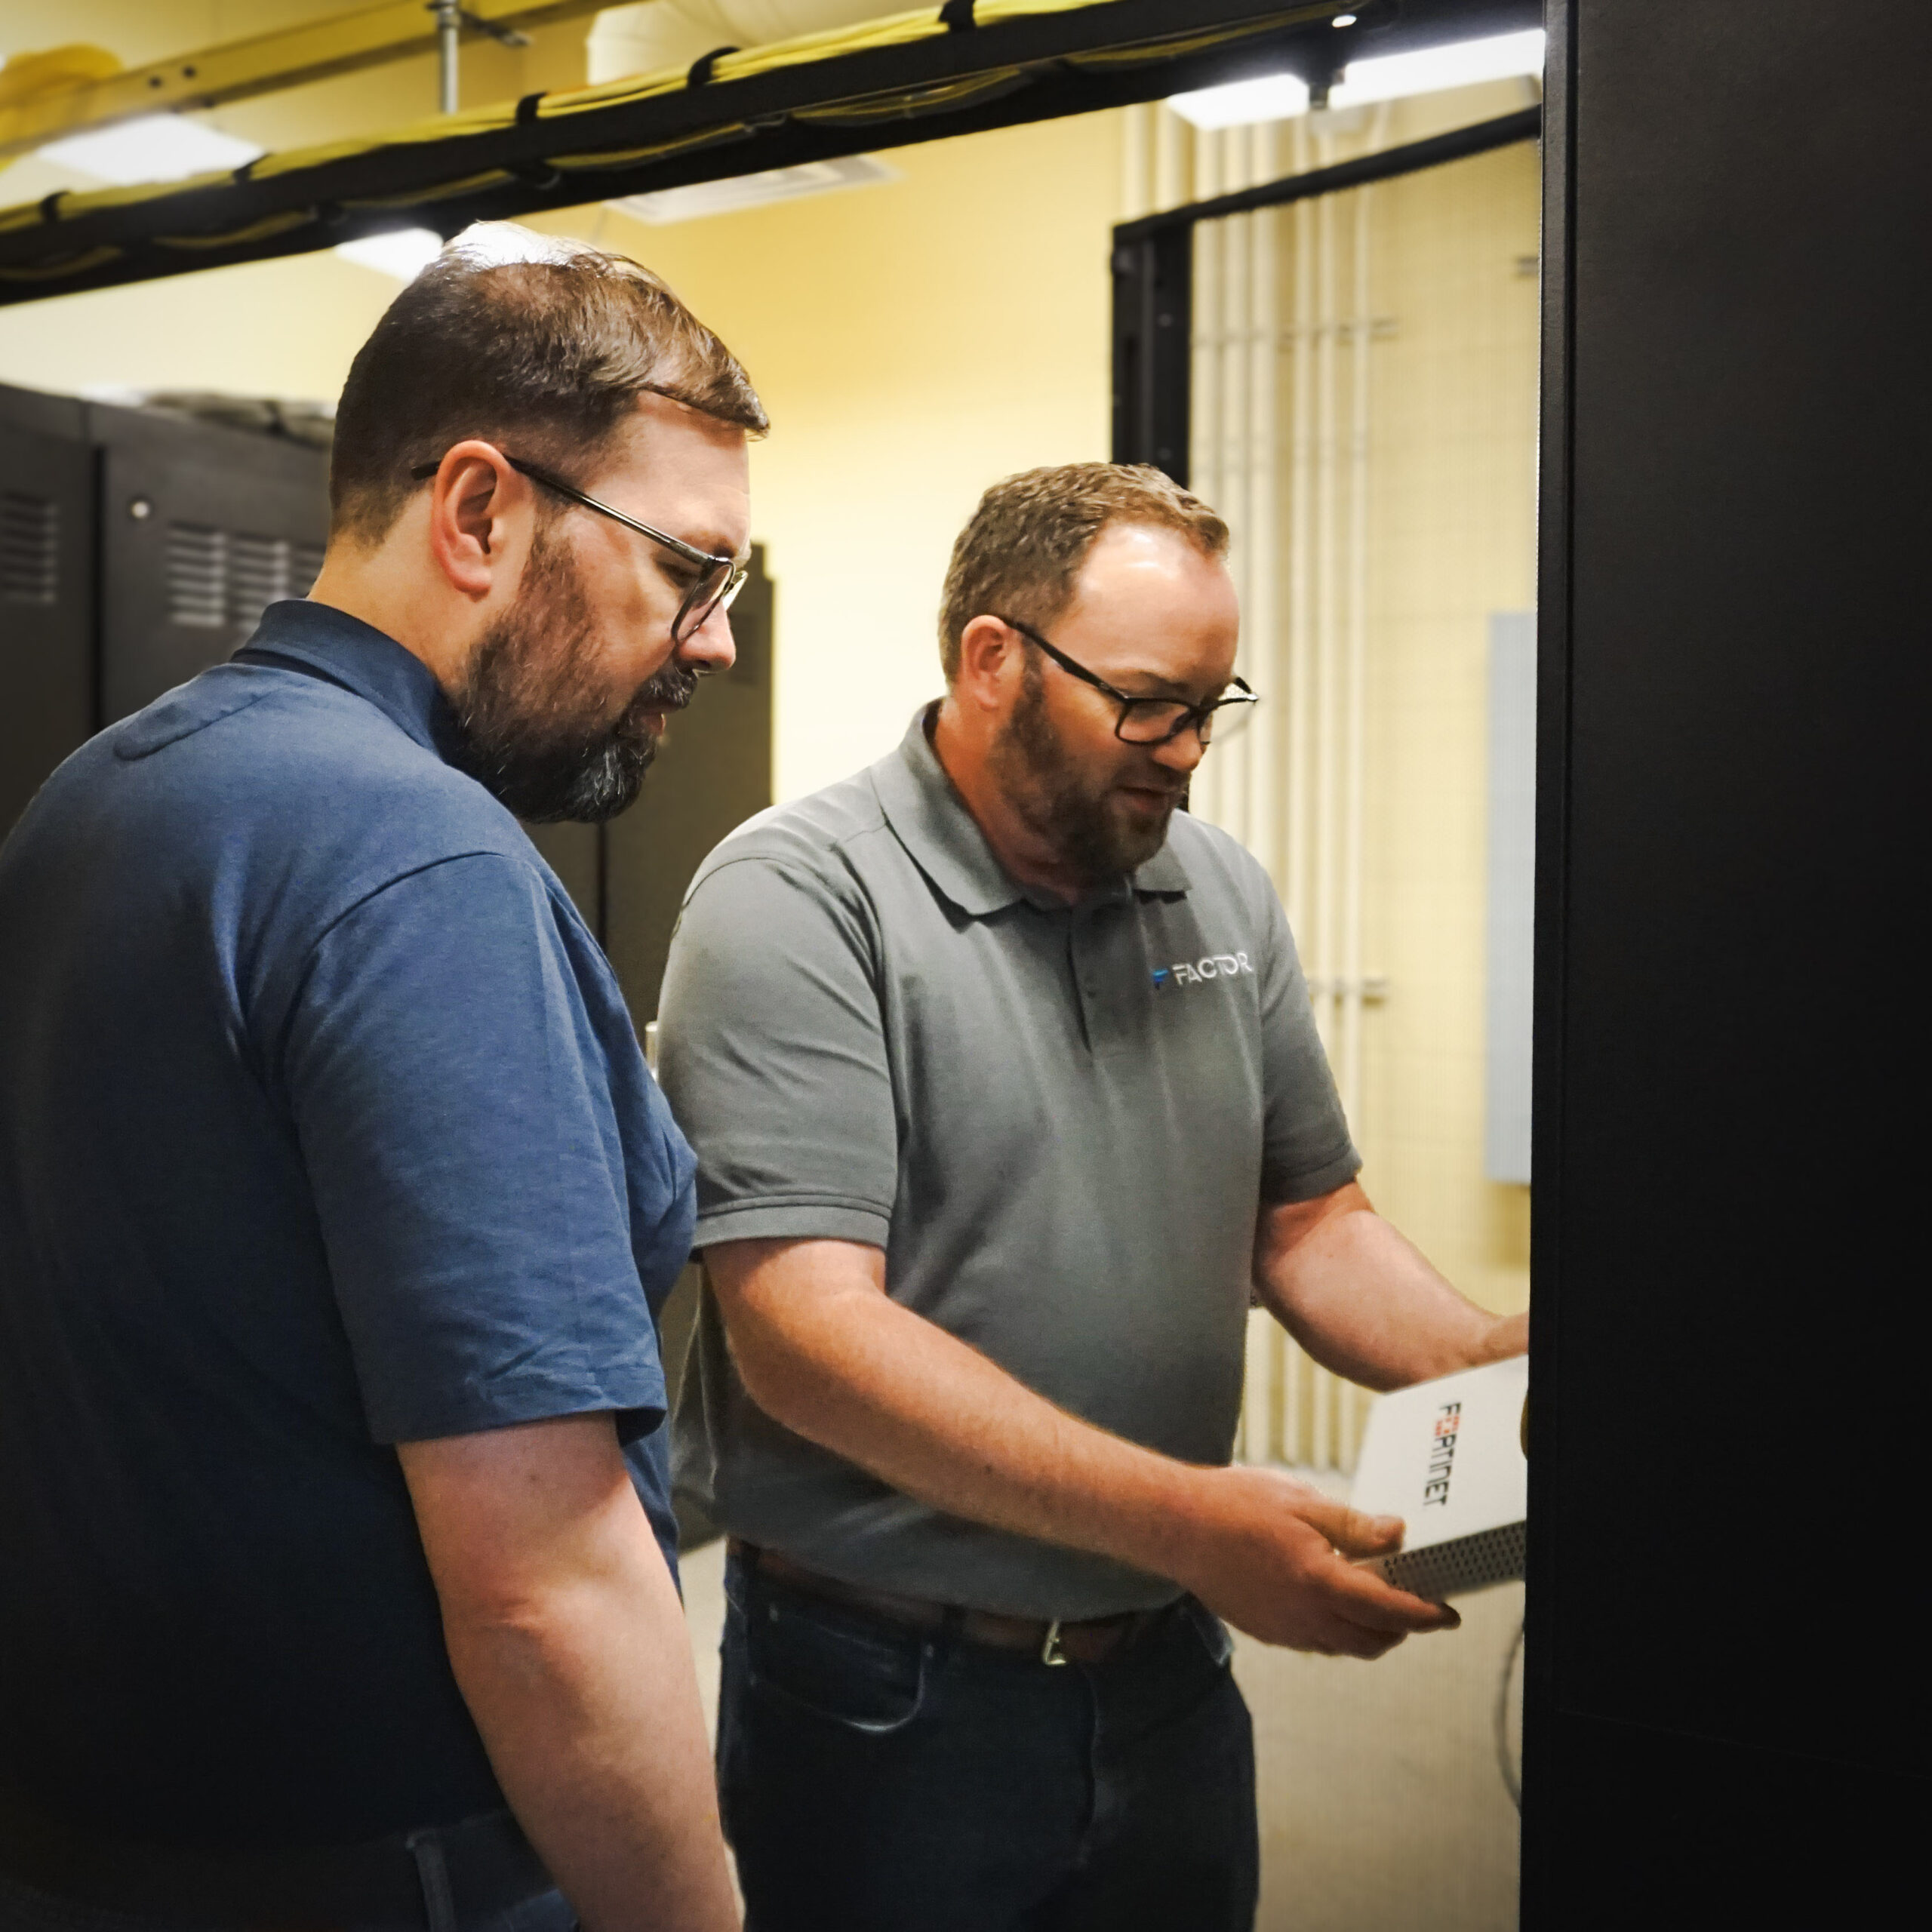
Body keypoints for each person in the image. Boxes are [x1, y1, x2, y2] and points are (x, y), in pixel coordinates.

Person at [657, 462, 1530, 1932]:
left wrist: (1489, 1367)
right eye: (1147, 701)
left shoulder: (1218, 898)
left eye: (1210, 701)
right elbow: (804, 1334)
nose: (1186, 750)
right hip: (891, 1690)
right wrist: (1193, 1519)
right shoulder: (797, 900)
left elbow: (1308, 1221)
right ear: (991, 658)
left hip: (1164, 1665)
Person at [0, 238, 754, 1932]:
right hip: (384, 1866)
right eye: (690, 571)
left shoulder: (96, 797)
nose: (710, 645)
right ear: (477, 511)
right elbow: (547, 1588)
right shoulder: (425, 869)